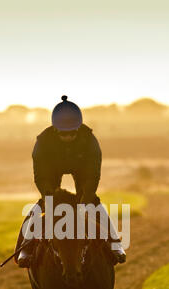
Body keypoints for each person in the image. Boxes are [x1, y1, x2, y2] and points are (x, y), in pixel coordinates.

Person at [15, 95, 127, 268]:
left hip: (82, 169)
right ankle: (25, 248)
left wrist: (85, 199)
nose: (68, 137)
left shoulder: (90, 141)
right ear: (55, 130)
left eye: (72, 133)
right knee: (42, 205)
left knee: (93, 203)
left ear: (79, 128)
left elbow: (92, 175)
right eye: (63, 134)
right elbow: (41, 176)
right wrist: (49, 197)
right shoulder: (43, 142)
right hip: (51, 170)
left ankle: (115, 244)